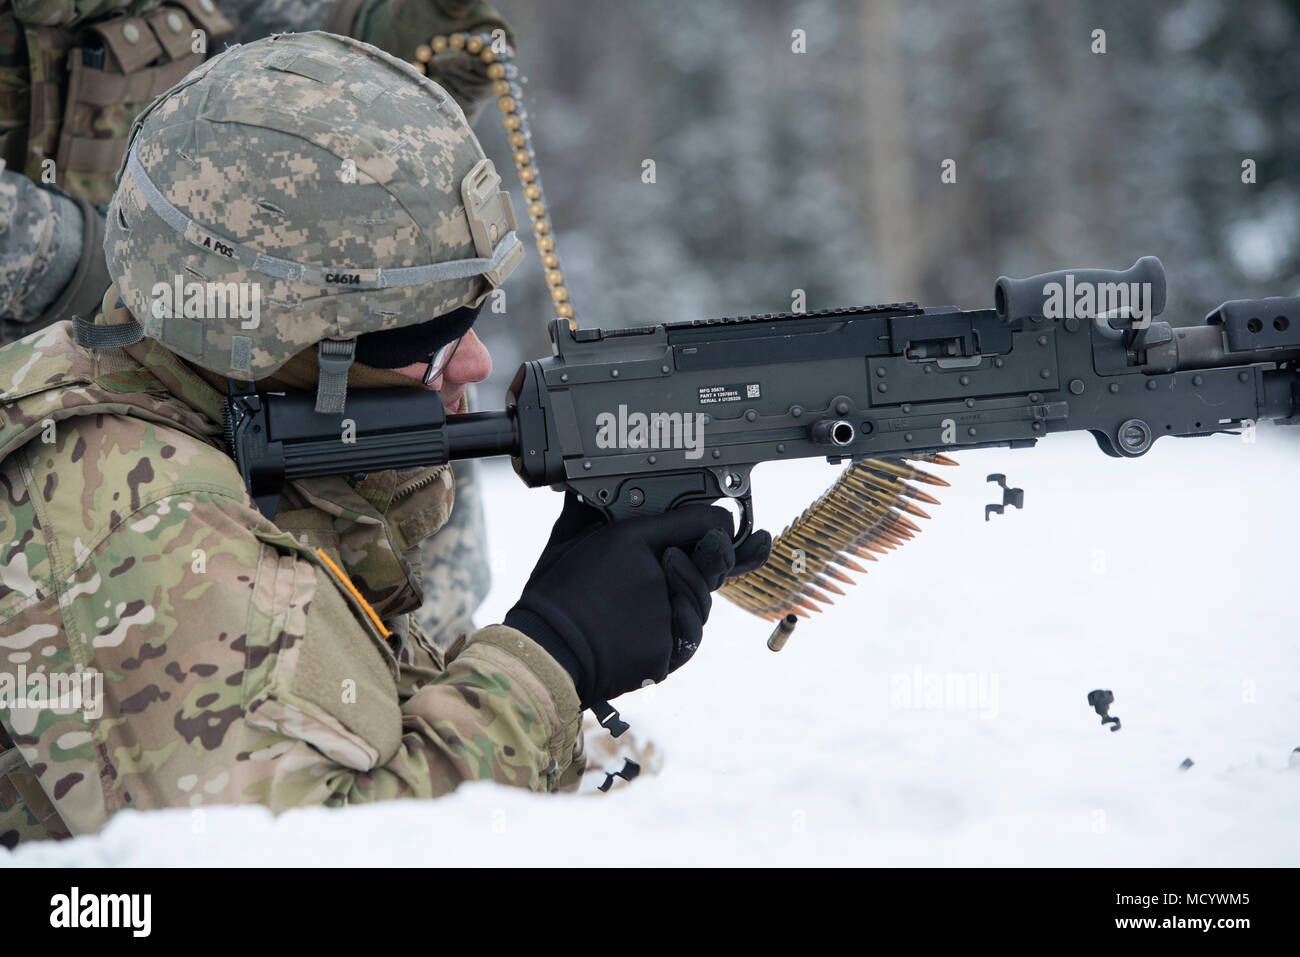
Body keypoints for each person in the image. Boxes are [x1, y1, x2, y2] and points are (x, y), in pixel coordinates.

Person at [0, 30, 769, 848]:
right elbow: (320, 858)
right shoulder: (146, 520)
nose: (474, 360)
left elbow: (343, 728)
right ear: (285, 345)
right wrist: (552, 654)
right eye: (429, 341)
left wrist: (562, 616)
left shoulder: (177, 388)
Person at [0, 0, 513, 650]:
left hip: (214, 315)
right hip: (117, 336)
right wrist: (116, 260)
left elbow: (275, 47)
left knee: (412, 409)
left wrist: (383, 32)